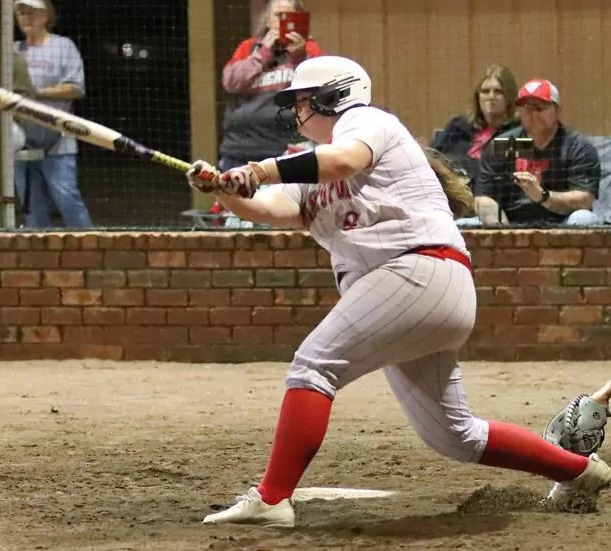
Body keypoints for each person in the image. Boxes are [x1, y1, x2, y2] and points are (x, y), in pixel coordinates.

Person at [186, 55, 611, 528]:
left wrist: (261, 169)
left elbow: (343, 161)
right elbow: (271, 209)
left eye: (303, 100)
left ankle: (271, 498)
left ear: (333, 96)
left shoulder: (365, 122)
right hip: (416, 291)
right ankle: (581, 471)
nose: (297, 110)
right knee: (455, 435)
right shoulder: (306, 166)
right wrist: (223, 188)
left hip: (415, 271)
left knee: (313, 366)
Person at [472, 78, 601, 226]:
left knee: (584, 218)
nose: (533, 114)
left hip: (562, 224)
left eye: (540, 108)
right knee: (462, 223)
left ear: (557, 111)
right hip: (511, 224)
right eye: (527, 108)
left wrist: (543, 196)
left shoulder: (577, 147)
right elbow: (483, 197)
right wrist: (503, 231)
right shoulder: (502, 145)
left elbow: (584, 199)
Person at [218, 0, 323, 172]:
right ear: (267, 20)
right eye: (278, 15)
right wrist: (263, 53)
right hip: (241, 147)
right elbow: (231, 83)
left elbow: (318, 89)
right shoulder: (249, 47)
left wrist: (299, 58)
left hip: (289, 148)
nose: (283, 21)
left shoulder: (310, 49)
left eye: (289, 15)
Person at [13, 0, 91, 228]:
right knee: (31, 205)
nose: (26, 18)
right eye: (21, 13)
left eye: (32, 12)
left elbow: (76, 88)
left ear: (46, 16)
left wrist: (36, 93)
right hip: (20, 141)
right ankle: (40, 248)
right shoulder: (12, 50)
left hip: (58, 140)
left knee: (67, 198)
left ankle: (89, 243)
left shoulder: (63, 46)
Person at [431, 64, 520, 186]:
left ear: (509, 97)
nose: (491, 97)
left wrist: (458, 165)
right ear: (478, 96)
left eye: (498, 92)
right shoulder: (458, 126)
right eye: (485, 91)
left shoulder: (517, 132)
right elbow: (432, 157)